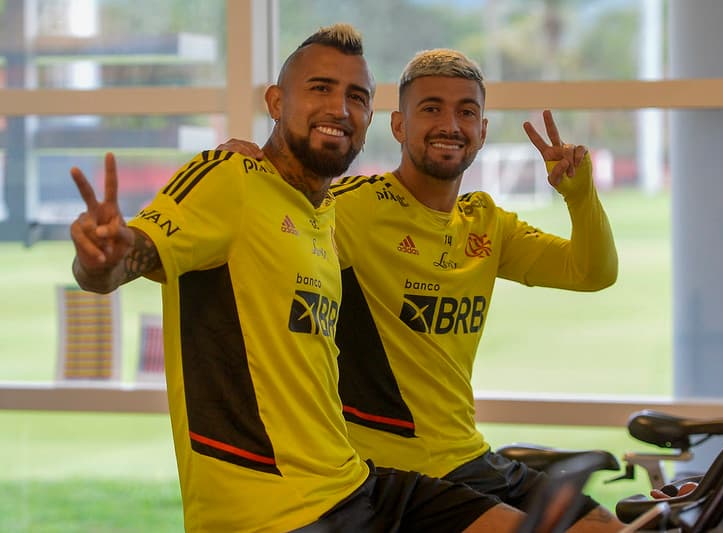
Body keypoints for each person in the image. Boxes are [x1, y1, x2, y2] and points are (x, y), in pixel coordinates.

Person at [69, 27, 525, 533]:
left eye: (356, 97)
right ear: (276, 101)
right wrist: (103, 256)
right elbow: (125, 261)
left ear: (370, 118)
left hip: (353, 482)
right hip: (276, 512)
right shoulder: (230, 178)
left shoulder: (327, 213)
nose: (339, 108)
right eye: (320, 88)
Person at [219, 48, 621, 531]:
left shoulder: (487, 223)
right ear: (398, 126)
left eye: (466, 112)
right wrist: (251, 169)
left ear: (483, 132)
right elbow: (278, 221)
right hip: (394, 474)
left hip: (472, 457)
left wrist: (580, 195)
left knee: (607, 527)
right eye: (431, 108)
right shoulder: (351, 210)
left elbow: (591, 271)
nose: (450, 124)